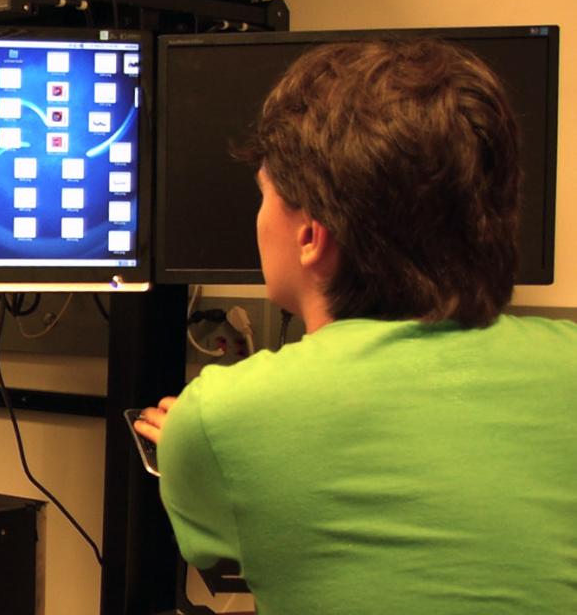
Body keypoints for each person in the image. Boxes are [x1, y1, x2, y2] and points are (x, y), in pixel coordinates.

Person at [134, 38, 577, 614]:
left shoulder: (220, 416)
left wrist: (200, 439)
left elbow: (235, 549)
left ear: (311, 237)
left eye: (264, 195)